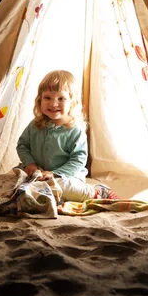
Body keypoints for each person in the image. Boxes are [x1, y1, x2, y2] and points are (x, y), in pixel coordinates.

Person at [16, 70, 118, 202]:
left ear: (72, 102)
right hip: (38, 174)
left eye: (61, 99)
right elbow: (22, 145)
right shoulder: (35, 125)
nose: (53, 104)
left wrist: (54, 174)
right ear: (39, 99)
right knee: (13, 180)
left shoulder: (75, 130)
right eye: (47, 98)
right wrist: (30, 164)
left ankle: (96, 191)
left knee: (64, 187)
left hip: (66, 176)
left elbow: (78, 159)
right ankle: (43, 194)